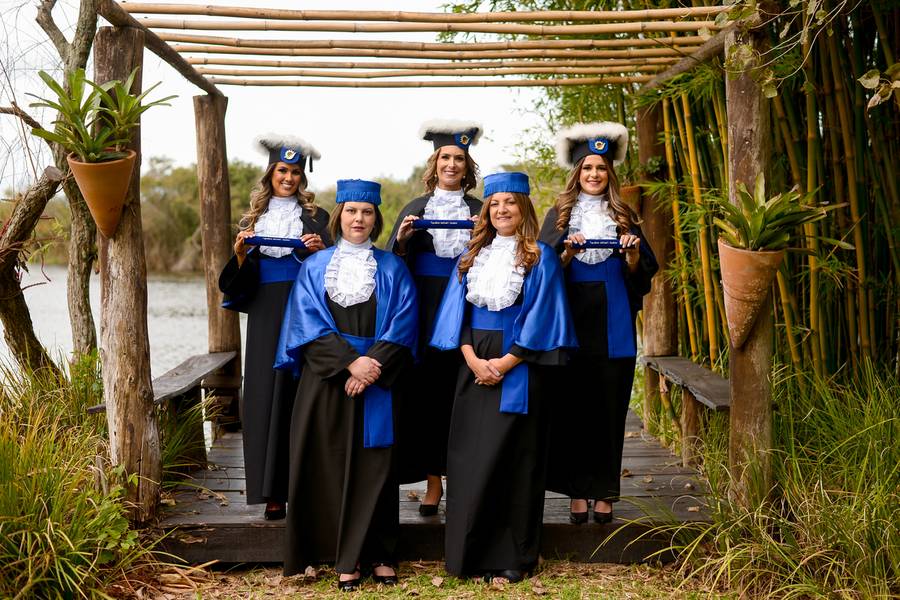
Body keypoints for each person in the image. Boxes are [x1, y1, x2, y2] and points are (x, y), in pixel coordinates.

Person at [430, 172, 577, 583]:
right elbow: (452, 315)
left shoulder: (540, 256)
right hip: (472, 363)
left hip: (519, 366)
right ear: (486, 211)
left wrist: (506, 363)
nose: (501, 210)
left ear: (524, 208)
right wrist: (473, 359)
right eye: (494, 204)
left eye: (510, 202)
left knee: (515, 461)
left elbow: (542, 315)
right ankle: (469, 555)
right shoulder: (470, 255)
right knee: (469, 460)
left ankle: (514, 556)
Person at [274, 179, 418, 591]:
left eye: (367, 212)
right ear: (339, 216)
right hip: (327, 382)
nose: (359, 219)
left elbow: (404, 323)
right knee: (330, 465)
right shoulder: (315, 268)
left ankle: (381, 553)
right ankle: (344, 558)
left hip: (378, 378)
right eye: (352, 211)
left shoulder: (393, 267)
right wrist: (348, 365)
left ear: (376, 219)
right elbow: (305, 325)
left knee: (377, 469)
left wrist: (371, 365)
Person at [539, 122, 658, 525]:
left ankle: (604, 492)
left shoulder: (624, 214)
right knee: (572, 409)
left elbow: (646, 270)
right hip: (571, 320)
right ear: (577, 173)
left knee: (609, 409)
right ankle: (577, 490)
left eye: (601, 168)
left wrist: (631, 256)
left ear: (610, 174)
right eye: (587, 168)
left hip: (613, 320)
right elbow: (540, 269)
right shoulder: (559, 214)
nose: (594, 174)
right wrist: (565, 256)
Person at [218, 135, 329, 521]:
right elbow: (235, 282)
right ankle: (271, 493)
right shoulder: (251, 221)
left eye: (296, 172)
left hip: (303, 311)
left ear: (302, 178)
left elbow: (334, 272)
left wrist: (318, 252)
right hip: (266, 312)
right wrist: (240, 255)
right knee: (265, 394)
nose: (289, 177)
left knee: (303, 392)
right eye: (283, 170)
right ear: (270, 173)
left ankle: (306, 484)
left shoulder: (319, 219)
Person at [386, 119, 483, 514]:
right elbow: (391, 266)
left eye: (459, 158)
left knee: (463, 392)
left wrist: (483, 233)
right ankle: (431, 482)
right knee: (426, 395)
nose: (452, 164)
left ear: (467, 165)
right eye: (445, 157)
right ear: (435, 162)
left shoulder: (481, 209)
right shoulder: (414, 209)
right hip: (424, 310)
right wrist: (403, 241)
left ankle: (464, 477)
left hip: (468, 306)